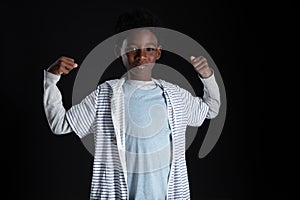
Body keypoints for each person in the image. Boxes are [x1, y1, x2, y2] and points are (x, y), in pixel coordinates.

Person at [43, 8, 220, 200]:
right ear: (119, 51)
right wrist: (51, 79)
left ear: (158, 52)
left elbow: (210, 109)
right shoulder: (105, 95)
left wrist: (208, 77)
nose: (141, 56)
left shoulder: (175, 95)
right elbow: (60, 125)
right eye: (132, 49)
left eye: (149, 49)